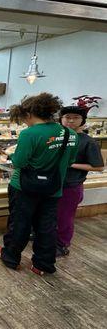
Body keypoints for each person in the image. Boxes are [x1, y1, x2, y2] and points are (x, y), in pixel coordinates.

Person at [0, 93, 78, 275]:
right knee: (47, 226)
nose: (25, 122)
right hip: (53, 187)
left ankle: (11, 258)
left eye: (24, 118)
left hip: (24, 187)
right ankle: (43, 264)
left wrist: (10, 153)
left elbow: (19, 163)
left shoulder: (29, 134)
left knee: (19, 223)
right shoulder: (70, 134)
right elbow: (70, 161)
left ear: (29, 114)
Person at [57, 106, 104, 257]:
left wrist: (70, 164)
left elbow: (98, 167)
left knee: (65, 217)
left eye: (75, 117)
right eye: (67, 117)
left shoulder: (88, 142)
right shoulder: (58, 137)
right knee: (51, 215)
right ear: (61, 119)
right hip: (53, 183)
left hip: (71, 185)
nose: (70, 120)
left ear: (82, 120)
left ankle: (62, 244)